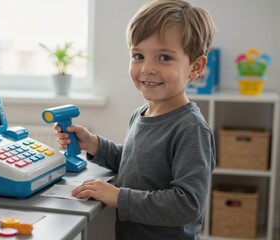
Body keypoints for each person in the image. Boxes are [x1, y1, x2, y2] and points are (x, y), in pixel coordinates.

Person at [55, 0, 216, 239]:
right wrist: (94, 144)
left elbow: (188, 204)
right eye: (138, 55)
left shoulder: (191, 129)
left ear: (195, 67)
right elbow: (136, 165)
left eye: (164, 58)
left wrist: (119, 197)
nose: (147, 68)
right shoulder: (141, 114)